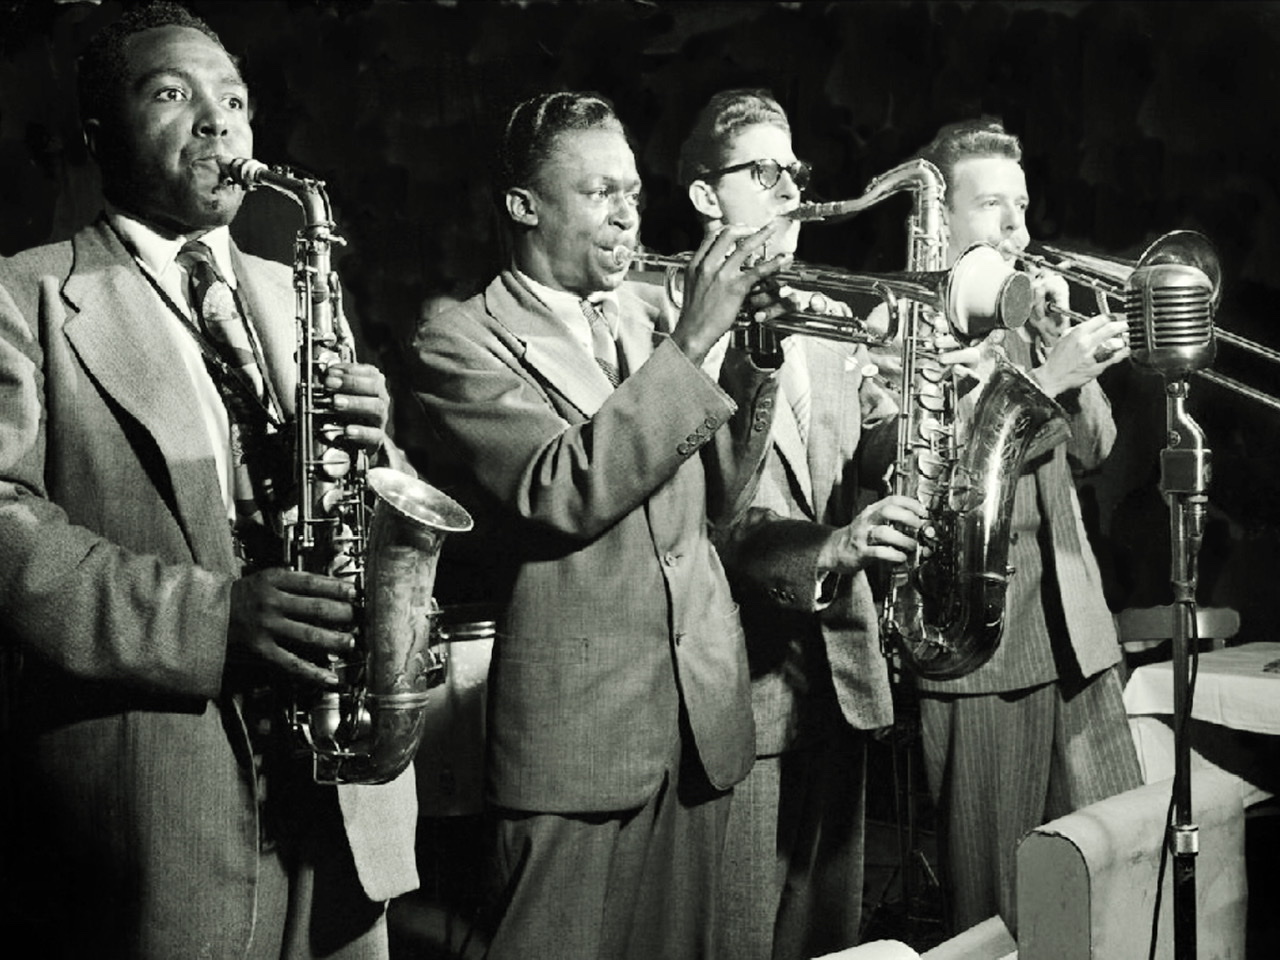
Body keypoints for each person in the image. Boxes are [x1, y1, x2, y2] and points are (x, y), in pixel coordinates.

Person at [0, 4, 422, 957]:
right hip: (160, 804)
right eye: (172, 94)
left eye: (234, 101)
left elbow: (361, 505)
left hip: (338, 786)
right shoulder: (23, 294)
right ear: (99, 134)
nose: (217, 122)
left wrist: (374, 453)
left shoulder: (297, 291)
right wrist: (212, 619)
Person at [407, 90, 794, 960]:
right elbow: (560, 489)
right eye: (598, 193)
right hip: (577, 745)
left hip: (700, 722)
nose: (627, 215)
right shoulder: (459, 340)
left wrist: (754, 357)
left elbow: (722, 499)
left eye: (632, 192)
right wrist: (692, 346)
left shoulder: (648, 317)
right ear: (524, 206)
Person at [677, 89, 929, 960]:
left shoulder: (831, 321)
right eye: (764, 172)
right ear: (705, 194)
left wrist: (910, 416)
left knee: (833, 942)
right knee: (739, 940)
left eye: (797, 171)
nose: (793, 191)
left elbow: (852, 464)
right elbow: (716, 514)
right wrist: (832, 547)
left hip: (839, 678)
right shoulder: (668, 327)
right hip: (737, 687)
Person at [906, 118, 1142, 935]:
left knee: (1113, 885)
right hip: (986, 650)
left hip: (1077, 633)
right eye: (992, 206)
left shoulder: (1030, 320)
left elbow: (1096, 449)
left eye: (1024, 204)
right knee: (999, 910)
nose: (1018, 227)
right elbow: (947, 476)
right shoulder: (909, 330)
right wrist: (1048, 378)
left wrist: (1062, 355)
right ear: (941, 220)